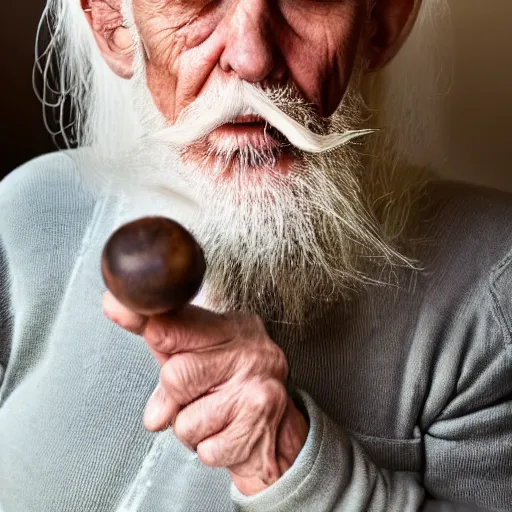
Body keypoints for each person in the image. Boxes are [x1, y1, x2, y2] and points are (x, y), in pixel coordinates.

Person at [0, 0, 510, 510]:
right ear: (115, 26)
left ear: (381, 23)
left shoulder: (493, 288)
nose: (251, 57)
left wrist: (291, 462)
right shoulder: (27, 212)